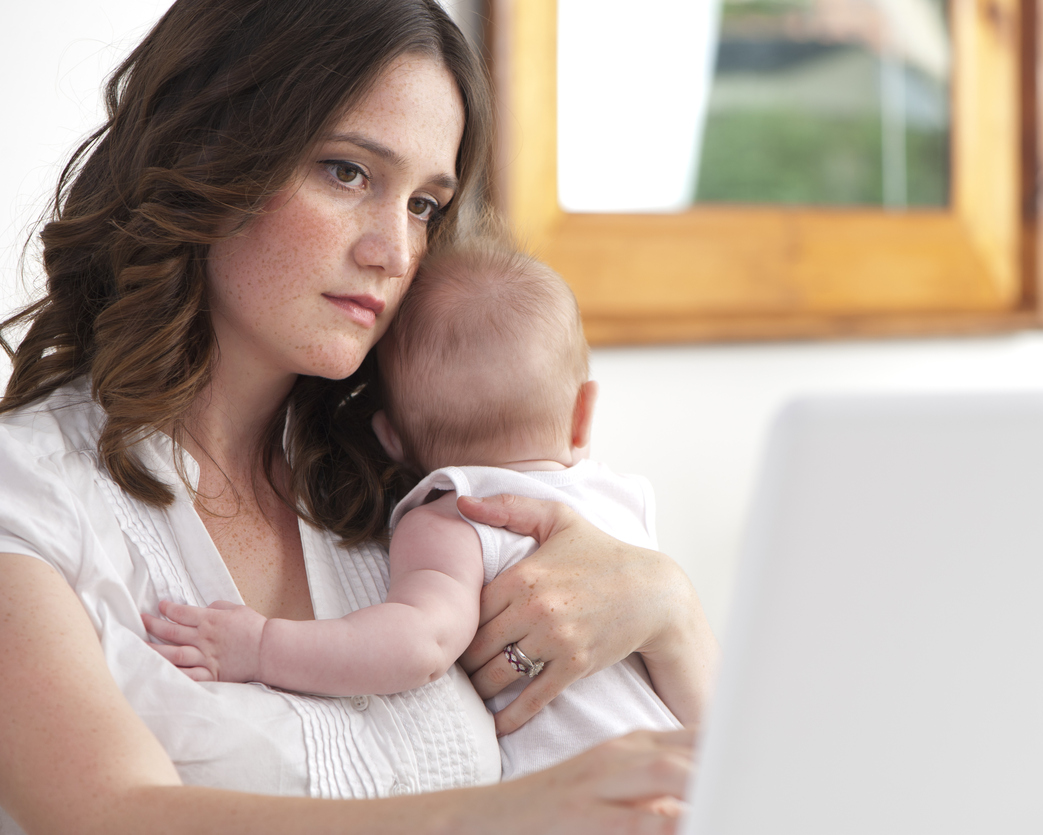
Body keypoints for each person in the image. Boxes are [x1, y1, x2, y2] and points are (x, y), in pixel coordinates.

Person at [0, 1, 718, 832]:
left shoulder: (414, 477)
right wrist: (505, 815)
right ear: (209, 151)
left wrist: (670, 608)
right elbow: (107, 814)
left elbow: (724, 778)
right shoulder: (31, 498)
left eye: (423, 205)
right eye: (348, 172)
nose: (395, 251)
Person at [144, 239, 685, 780]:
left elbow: (419, 644)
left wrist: (261, 646)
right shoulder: (622, 501)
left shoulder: (456, 515)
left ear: (390, 439)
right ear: (583, 413)